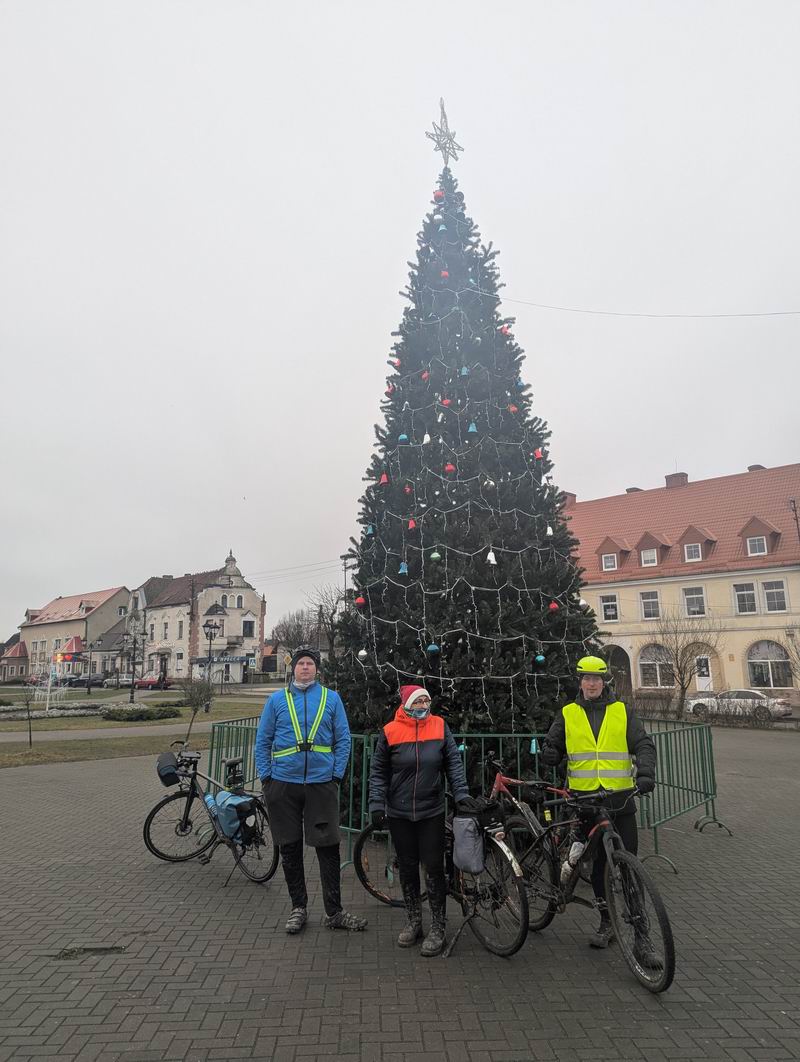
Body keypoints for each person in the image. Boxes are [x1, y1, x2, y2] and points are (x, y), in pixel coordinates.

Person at [541, 655, 657, 952]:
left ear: (604, 682)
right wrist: (551, 753)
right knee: (598, 866)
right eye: (586, 678)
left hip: (619, 799)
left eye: (596, 679)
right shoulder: (567, 713)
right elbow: (552, 744)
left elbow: (642, 744)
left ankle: (642, 935)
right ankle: (607, 921)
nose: (591, 684)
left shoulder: (622, 711)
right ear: (579, 682)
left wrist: (645, 772)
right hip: (586, 800)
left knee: (628, 866)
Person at [255, 645, 367, 934]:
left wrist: (336, 776)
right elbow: (263, 741)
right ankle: (298, 908)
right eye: (301, 663)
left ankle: (334, 912)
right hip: (283, 784)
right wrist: (267, 779)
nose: (305, 667)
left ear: (317, 669)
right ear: (293, 669)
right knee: (289, 848)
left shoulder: (332, 698)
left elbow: (343, 739)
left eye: (310, 663)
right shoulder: (277, 700)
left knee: (328, 848)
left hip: (320, 784)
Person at [368, 684, 480, 957]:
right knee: (407, 867)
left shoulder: (440, 726)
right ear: (406, 704)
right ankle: (414, 921)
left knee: (433, 867)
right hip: (400, 812)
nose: (422, 706)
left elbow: (453, 762)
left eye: (426, 701)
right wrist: (376, 804)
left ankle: (438, 926)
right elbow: (379, 771)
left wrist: (461, 793)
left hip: (431, 810)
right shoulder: (390, 732)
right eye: (417, 702)